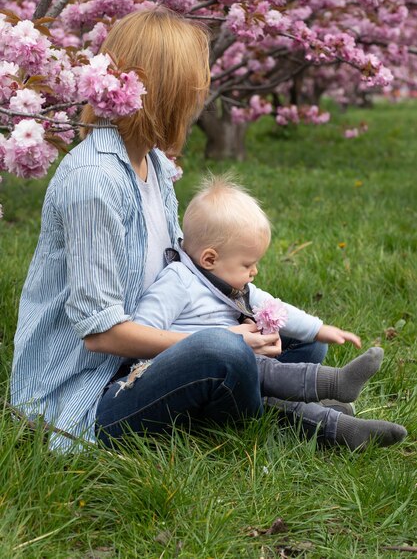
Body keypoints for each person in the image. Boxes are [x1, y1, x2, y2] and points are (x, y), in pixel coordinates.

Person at [11, 7, 310, 451]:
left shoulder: (152, 165)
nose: (198, 102)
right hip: (86, 392)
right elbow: (101, 336)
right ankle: (293, 419)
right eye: (194, 90)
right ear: (168, 93)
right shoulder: (95, 181)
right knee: (223, 354)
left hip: (143, 357)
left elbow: (180, 279)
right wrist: (220, 337)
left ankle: (285, 402)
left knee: (299, 343)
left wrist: (239, 318)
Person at [125, 175, 407, 451]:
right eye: (247, 264)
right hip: (195, 377)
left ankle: (342, 428)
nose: (254, 271)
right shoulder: (177, 282)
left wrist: (319, 328)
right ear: (210, 258)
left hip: (232, 374)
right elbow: (143, 336)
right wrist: (225, 340)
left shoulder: (228, 283)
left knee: (268, 383)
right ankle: (336, 385)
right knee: (258, 369)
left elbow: (276, 307)